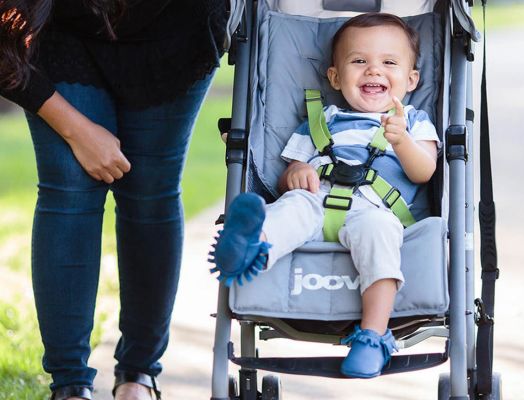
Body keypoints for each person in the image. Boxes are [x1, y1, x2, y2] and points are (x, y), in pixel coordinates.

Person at [0, 1, 227, 399]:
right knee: (68, 189)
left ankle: (138, 376)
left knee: (150, 194)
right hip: (61, 33)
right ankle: (69, 384)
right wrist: (76, 131)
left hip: (176, 34)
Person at [210, 13, 440, 378]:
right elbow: (291, 173)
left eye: (389, 63)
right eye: (359, 61)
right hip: (315, 198)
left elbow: (424, 171)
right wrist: (295, 173)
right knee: (289, 210)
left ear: (411, 79)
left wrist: (403, 142)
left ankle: (373, 335)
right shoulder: (322, 119)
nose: (373, 71)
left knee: (381, 235)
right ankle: (249, 246)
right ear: (335, 76)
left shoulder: (413, 121)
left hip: (375, 209)